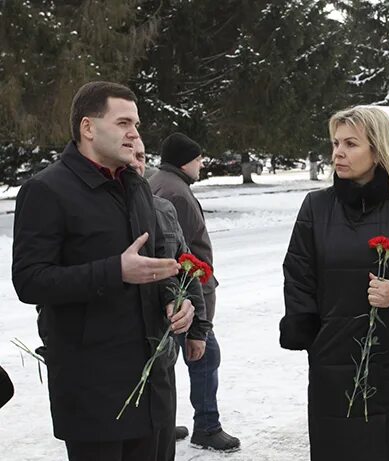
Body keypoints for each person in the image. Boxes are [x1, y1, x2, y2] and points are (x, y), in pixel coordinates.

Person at [11, 81, 196, 460]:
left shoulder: (137, 187)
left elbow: (159, 265)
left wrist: (179, 303)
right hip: (93, 393)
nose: (135, 134)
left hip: (153, 387)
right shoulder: (47, 190)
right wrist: (115, 271)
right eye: (124, 122)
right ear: (88, 128)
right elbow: (29, 281)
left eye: (137, 124)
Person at [280, 106, 389, 461]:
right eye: (335, 143)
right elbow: (298, 274)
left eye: (350, 143)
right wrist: (309, 330)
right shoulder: (316, 207)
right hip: (335, 363)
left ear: (377, 149)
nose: (338, 153)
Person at [149, 133, 240, 452]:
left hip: (175, 295)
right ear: (185, 161)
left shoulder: (162, 183)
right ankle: (207, 426)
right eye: (199, 158)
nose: (202, 164)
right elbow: (185, 256)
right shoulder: (175, 193)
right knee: (204, 356)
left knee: (166, 362)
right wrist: (198, 314)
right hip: (184, 297)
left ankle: (162, 421)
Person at [130, 138, 212, 460]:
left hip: (161, 356)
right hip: (115, 363)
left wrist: (197, 329)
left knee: (162, 447)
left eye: (141, 157)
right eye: (129, 156)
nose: (137, 163)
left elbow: (186, 267)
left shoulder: (164, 209)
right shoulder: (96, 215)